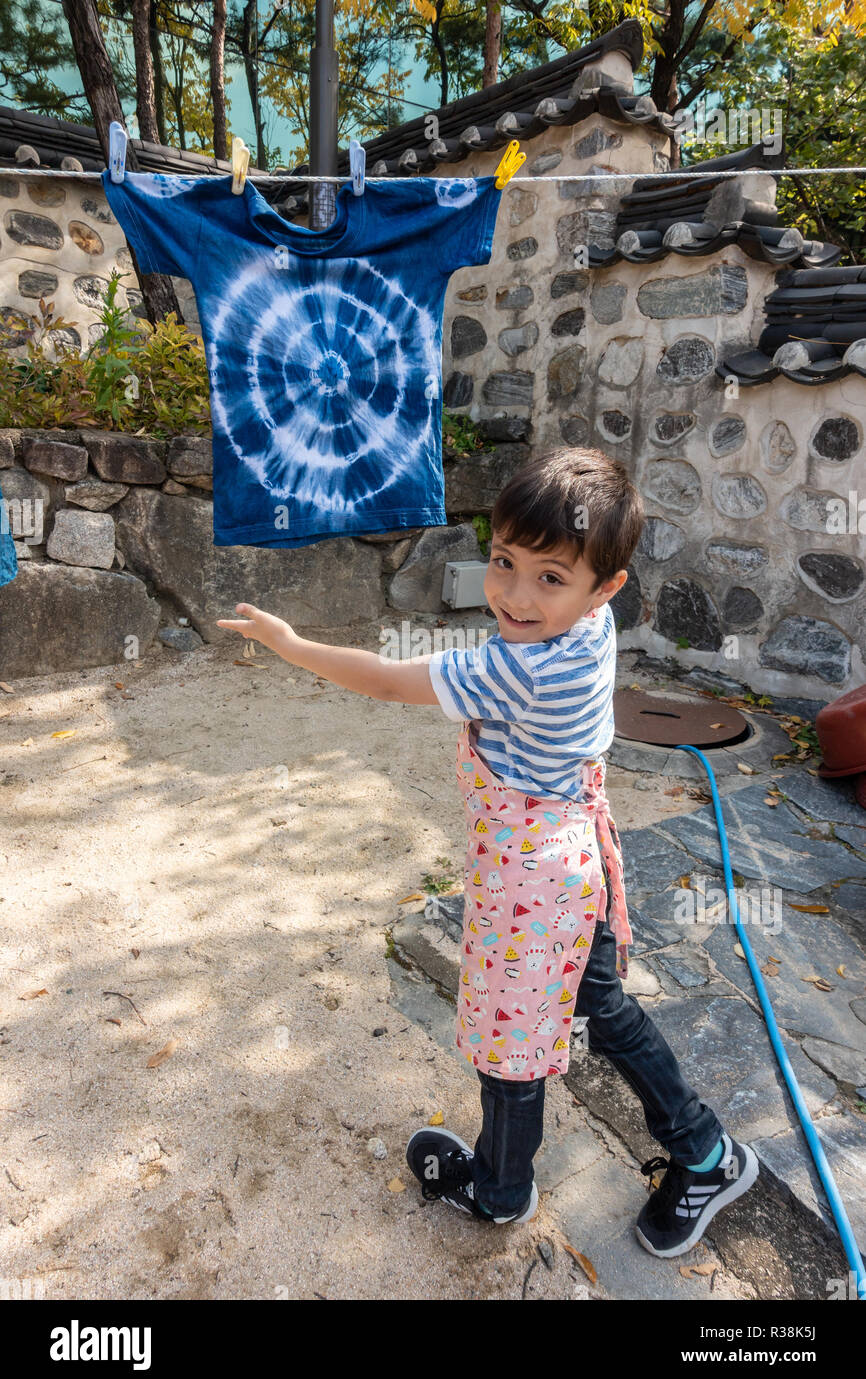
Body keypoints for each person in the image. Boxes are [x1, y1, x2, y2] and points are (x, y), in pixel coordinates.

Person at [217, 445, 759, 1258]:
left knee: (512, 1040)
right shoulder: (592, 622)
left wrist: (292, 644)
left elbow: (387, 679)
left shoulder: (520, 669)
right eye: (504, 562)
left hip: (536, 880)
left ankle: (501, 1190)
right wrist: (555, 569)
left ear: (604, 586)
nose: (511, 594)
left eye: (549, 577)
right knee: (601, 1010)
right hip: (572, 853)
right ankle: (706, 1153)